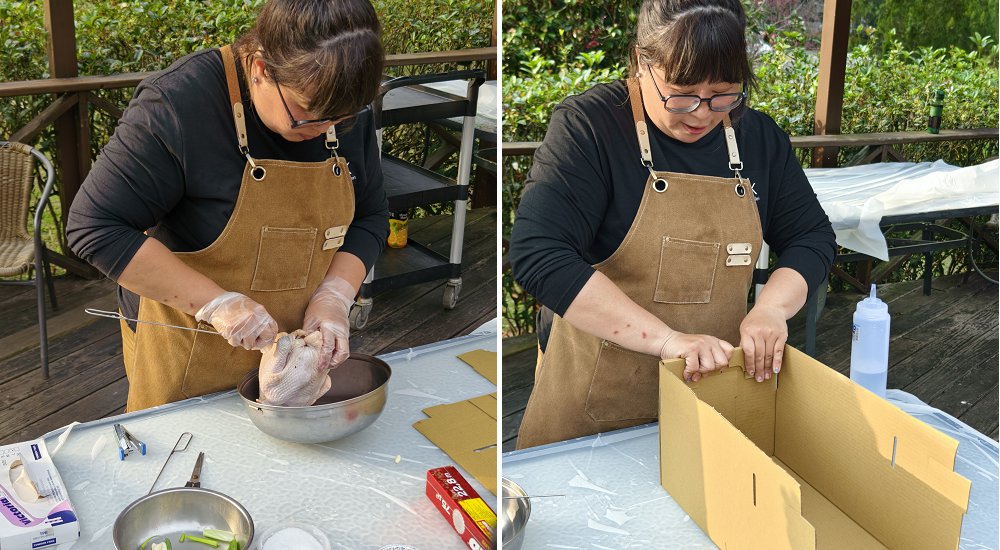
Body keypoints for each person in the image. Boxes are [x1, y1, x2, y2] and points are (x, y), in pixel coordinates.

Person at [508, 0, 837, 449]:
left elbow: (811, 237)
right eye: (681, 93)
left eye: (723, 93)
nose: (702, 113)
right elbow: (538, 254)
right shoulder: (592, 126)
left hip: (712, 393)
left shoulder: (759, 139)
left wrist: (771, 309)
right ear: (643, 63)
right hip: (591, 406)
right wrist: (666, 341)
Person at [66, 0, 388, 411]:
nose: (325, 130)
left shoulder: (340, 106)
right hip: (187, 345)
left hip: (290, 355)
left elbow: (371, 216)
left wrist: (335, 297)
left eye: (340, 119)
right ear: (260, 69)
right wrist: (217, 305)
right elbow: (95, 227)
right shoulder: (179, 103)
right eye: (307, 116)